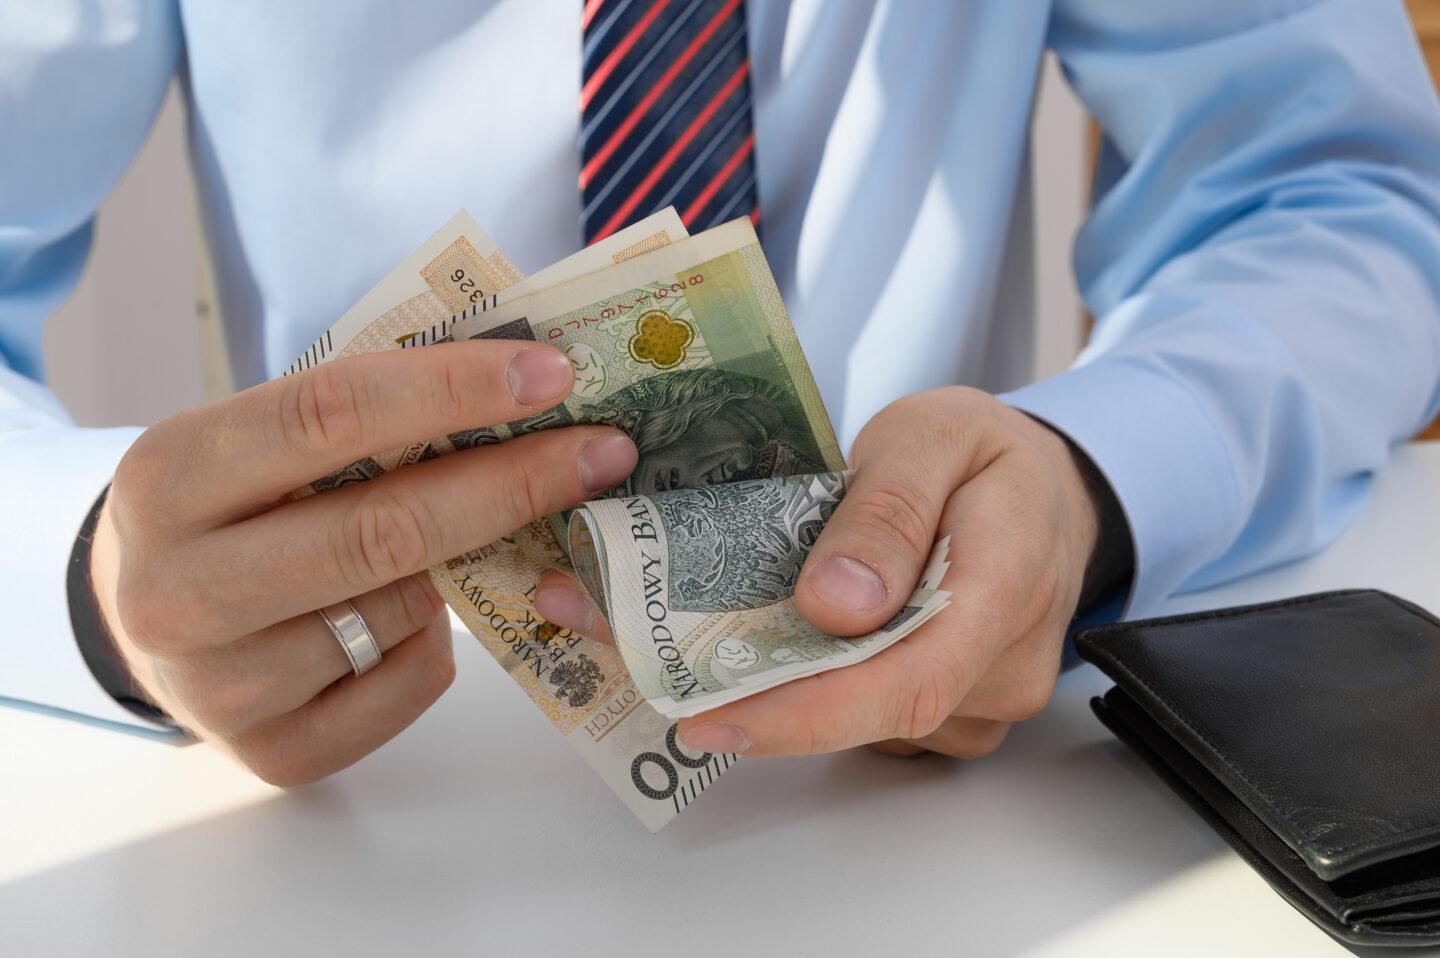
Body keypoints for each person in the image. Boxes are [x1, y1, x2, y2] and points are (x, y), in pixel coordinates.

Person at [5, 0, 1440, 783]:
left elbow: (1335, 188)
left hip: (929, 773)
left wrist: (1092, 482)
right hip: (379, 772)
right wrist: (95, 582)